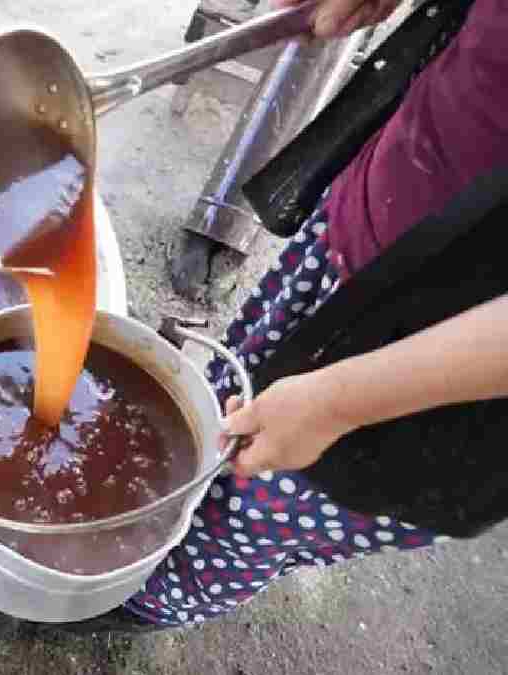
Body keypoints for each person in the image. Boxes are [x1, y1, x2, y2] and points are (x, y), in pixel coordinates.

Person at [92, 0, 508, 629]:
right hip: (376, 220)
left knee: (255, 514)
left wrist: (338, 402)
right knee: (219, 417)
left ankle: (148, 602)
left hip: (441, 390)